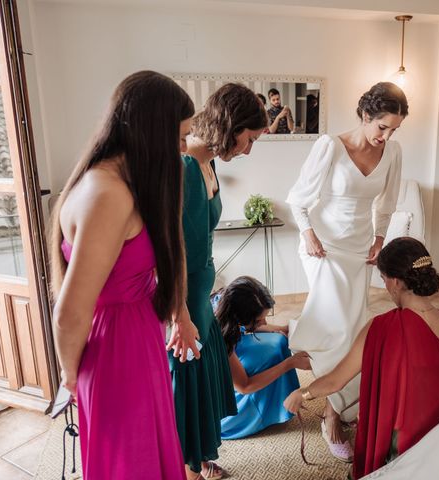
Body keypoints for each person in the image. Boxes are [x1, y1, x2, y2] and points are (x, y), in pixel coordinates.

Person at [50, 71, 197, 480]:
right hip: (117, 351)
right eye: (179, 135)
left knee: (145, 454)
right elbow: (69, 313)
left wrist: (178, 312)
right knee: (132, 463)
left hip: (135, 337)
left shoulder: (118, 180)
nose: (183, 147)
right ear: (152, 130)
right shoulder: (107, 195)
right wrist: (69, 377)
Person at [284, 237, 439, 479]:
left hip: (407, 439)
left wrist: (302, 394)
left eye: (384, 279)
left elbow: (336, 381)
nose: (385, 285)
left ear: (395, 281)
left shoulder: (383, 327)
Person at [286, 82, 407, 461]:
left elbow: (386, 201)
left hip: (360, 251)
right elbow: (298, 200)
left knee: (355, 328)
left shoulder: (393, 152)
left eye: (394, 130)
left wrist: (379, 237)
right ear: (366, 115)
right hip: (323, 247)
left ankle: (335, 409)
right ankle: (334, 415)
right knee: (335, 329)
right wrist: (307, 235)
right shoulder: (330, 146)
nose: (386, 136)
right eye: (382, 127)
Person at [172, 83, 268, 480]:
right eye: (248, 139)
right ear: (231, 127)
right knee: (185, 390)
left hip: (201, 293)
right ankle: (185, 469)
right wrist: (179, 314)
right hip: (184, 297)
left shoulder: (209, 163)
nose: (248, 150)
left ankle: (197, 460)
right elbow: (171, 249)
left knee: (203, 393)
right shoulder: (182, 166)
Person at [210, 276, 311, 439]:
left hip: (232, 351)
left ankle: (274, 405)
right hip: (221, 409)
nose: (264, 322)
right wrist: (289, 364)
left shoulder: (226, 301)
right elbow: (245, 386)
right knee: (268, 358)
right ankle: (255, 412)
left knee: (278, 340)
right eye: (258, 320)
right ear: (239, 317)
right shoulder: (218, 337)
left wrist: (280, 328)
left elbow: (246, 327)